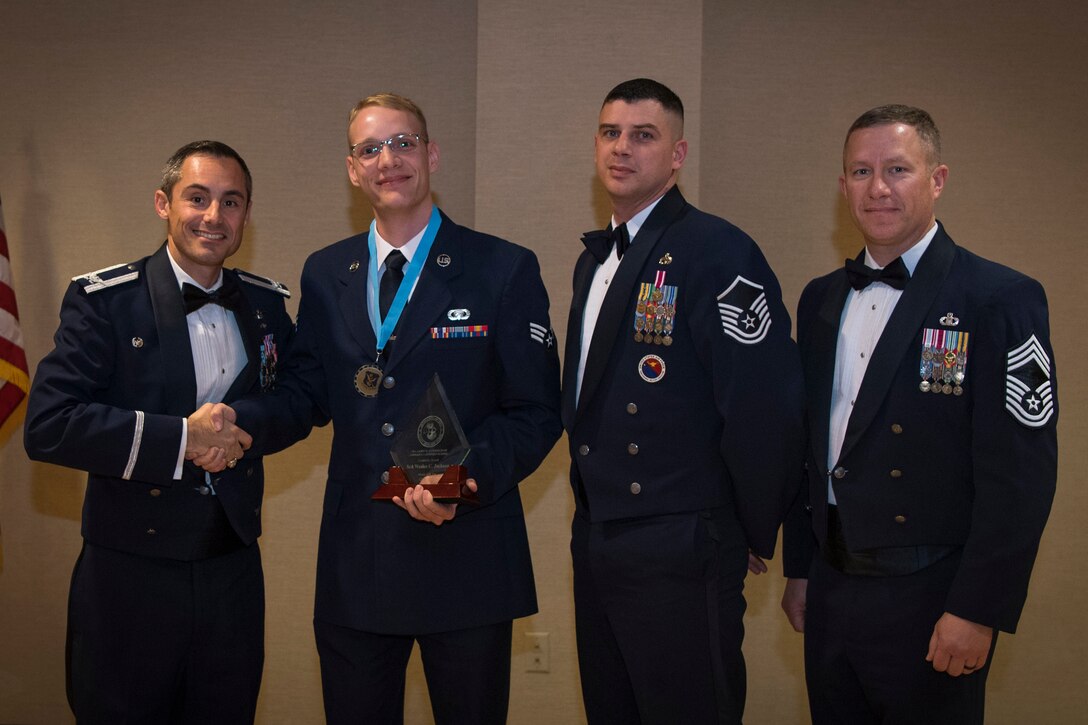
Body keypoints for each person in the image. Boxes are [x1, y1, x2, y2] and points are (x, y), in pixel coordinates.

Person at [222, 93, 561, 724]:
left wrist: (460, 481)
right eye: (370, 148)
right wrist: (241, 423)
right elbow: (308, 394)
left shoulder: (502, 268)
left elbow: (536, 410)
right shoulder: (327, 273)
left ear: (430, 155)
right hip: (359, 564)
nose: (389, 160)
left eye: (403, 143)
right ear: (353, 170)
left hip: (467, 556)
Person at [781, 105, 1058, 724]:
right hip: (832, 587)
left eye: (898, 169)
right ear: (843, 185)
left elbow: (1021, 474)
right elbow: (811, 446)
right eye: (860, 170)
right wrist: (799, 568)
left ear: (937, 180)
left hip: (933, 596)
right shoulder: (821, 297)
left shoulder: (999, 297)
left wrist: (978, 608)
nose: (877, 187)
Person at [24, 140, 293, 723]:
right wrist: (183, 439)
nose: (213, 216)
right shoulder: (106, 302)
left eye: (231, 202)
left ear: (246, 215)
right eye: (197, 198)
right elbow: (47, 424)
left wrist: (239, 425)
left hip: (232, 571)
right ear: (163, 204)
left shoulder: (267, 306)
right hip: (129, 574)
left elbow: (302, 395)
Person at [562, 78, 805, 724]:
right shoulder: (593, 263)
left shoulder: (718, 251)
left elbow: (766, 404)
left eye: (644, 135)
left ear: (677, 154)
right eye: (611, 133)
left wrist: (750, 523)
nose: (623, 148)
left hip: (682, 539)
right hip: (597, 537)